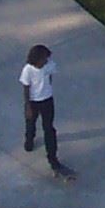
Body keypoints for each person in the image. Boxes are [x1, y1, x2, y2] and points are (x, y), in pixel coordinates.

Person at [20, 43, 70, 177]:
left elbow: (50, 77)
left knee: (49, 128)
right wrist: (28, 106)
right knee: (31, 123)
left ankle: (52, 158)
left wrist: (47, 89)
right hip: (33, 102)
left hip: (47, 100)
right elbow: (26, 87)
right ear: (36, 60)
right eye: (44, 59)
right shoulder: (28, 70)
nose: (46, 61)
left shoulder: (49, 65)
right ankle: (29, 140)